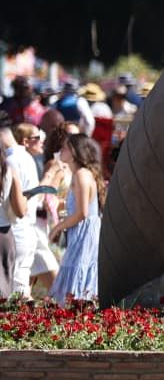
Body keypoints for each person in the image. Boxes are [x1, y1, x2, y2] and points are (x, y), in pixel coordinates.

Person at [49, 134, 102, 305]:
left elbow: (82, 213)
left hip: (83, 235)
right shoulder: (80, 174)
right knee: (77, 275)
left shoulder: (81, 174)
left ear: (74, 152)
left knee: (76, 276)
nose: (61, 150)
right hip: (82, 234)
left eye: (65, 147)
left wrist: (58, 228)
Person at [0, 120, 45, 300]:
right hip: (23, 229)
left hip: (15, 228)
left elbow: (18, 208)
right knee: (19, 286)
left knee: (14, 290)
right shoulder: (25, 157)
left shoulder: (10, 161)